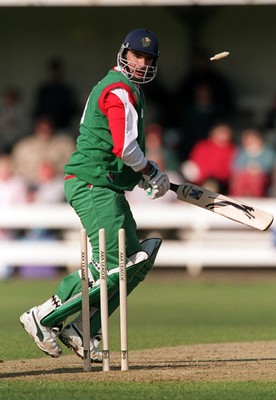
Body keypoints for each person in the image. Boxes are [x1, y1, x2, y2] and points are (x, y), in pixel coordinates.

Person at [20, 29, 169, 362]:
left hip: (107, 184)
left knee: (138, 262)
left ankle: (84, 327)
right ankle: (44, 316)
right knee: (116, 264)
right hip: (92, 185)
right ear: (124, 54)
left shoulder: (127, 89)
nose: (142, 63)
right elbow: (123, 146)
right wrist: (149, 172)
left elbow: (118, 150)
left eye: (148, 59)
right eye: (137, 56)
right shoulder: (119, 90)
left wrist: (143, 176)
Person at [181, 123, 236, 195]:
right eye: (220, 132)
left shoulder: (232, 149)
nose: (223, 135)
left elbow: (230, 169)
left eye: (225, 133)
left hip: (219, 180)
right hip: (200, 178)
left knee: (211, 184)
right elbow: (195, 162)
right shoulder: (202, 146)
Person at [229, 128, 275, 197]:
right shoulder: (241, 152)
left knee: (255, 180)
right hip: (243, 175)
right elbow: (235, 166)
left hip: (261, 176)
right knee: (240, 180)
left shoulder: (268, 152)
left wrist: (258, 169)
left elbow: (269, 166)